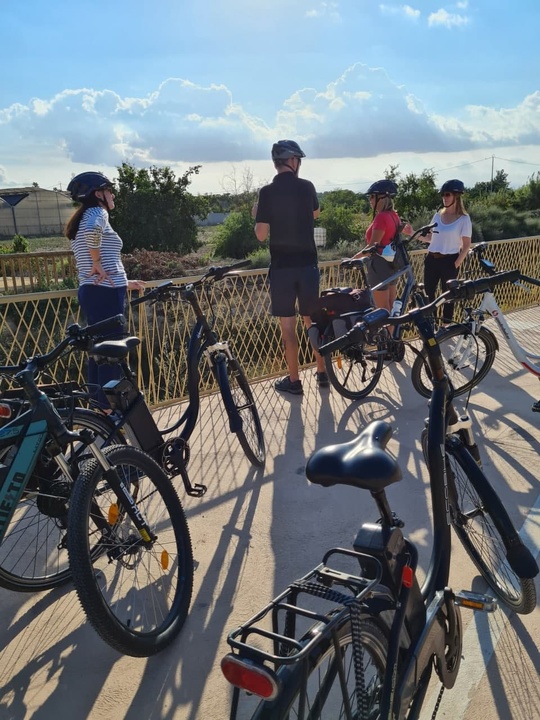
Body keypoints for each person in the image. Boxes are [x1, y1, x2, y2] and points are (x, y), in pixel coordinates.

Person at [65, 171, 145, 409]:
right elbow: (93, 232)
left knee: (98, 353)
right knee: (111, 352)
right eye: (109, 190)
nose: (112, 195)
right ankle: (110, 413)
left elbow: (99, 252)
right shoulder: (96, 213)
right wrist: (98, 263)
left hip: (96, 291)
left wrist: (124, 281)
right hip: (104, 294)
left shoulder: (83, 216)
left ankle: (99, 412)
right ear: (98, 194)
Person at [254, 140, 327, 395]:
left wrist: (260, 214)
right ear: (293, 161)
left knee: (288, 327)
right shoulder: (307, 187)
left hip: (283, 269)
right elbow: (316, 214)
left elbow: (261, 235)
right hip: (308, 265)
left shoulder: (267, 193)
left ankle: (294, 381)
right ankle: (322, 372)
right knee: (312, 321)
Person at [351, 180, 411, 312]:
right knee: (391, 307)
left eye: (372, 196)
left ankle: (386, 333)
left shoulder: (381, 218)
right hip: (392, 265)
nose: (370, 200)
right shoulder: (394, 216)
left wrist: (353, 259)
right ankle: (394, 332)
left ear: (382, 198)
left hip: (379, 265)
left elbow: (372, 246)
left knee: (382, 310)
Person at [421, 179, 472, 326]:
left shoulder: (464, 219)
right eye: (443, 195)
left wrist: (456, 263)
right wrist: (412, 233)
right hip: (432, 259)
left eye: (447, 194)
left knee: (448, 295)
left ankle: (446, 326)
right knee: (428, 294)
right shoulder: (438, 215)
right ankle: (431, 325)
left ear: (456, 196)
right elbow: (431, 237)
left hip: (449, 260)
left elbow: (467, 244)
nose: (444, 197)